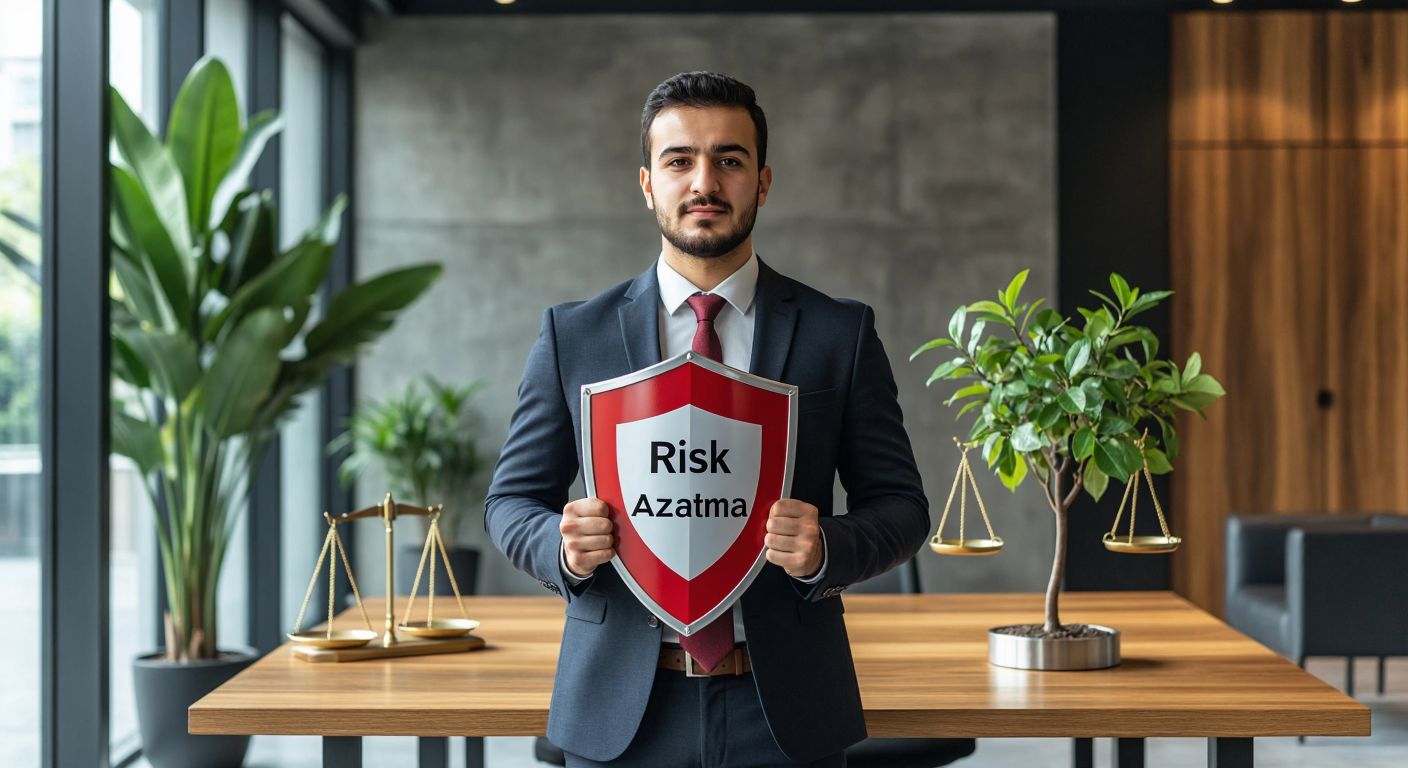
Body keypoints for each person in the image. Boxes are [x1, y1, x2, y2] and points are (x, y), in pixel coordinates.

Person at [485, 71, 929, 768]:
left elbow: (902, 507)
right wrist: (561, 547)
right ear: (646, 183)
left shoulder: (838, 334)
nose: (705, 182)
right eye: (679, 160)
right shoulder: (575, 334)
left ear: (763, 180)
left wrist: (826, 551)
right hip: (620, 710)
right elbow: (510, 503)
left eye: (729, 159)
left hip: (786, 709)